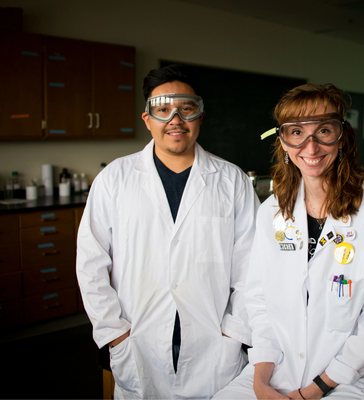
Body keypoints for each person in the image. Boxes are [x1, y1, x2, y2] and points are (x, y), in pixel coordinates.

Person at [213, 83, 364, 399]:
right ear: (283, 141)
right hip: (282, 366)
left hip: (360, 375)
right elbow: (259, 301)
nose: (310, 148)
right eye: (297, 133)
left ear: (342, 137)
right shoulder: (272, 211)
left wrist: (314, 390)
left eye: (323, 130)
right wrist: (260, 381)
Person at [76, 64, 259, 399]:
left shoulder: (231, 181)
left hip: (213, 344)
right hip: (138, 339)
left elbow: (253, 267)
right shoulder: (115, 179)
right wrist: (115, 333)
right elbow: (90, 262)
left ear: (201, 115)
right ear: (147, 119)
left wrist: (235, 332)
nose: (175, 120)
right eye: (162, 110)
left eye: (186, 109)